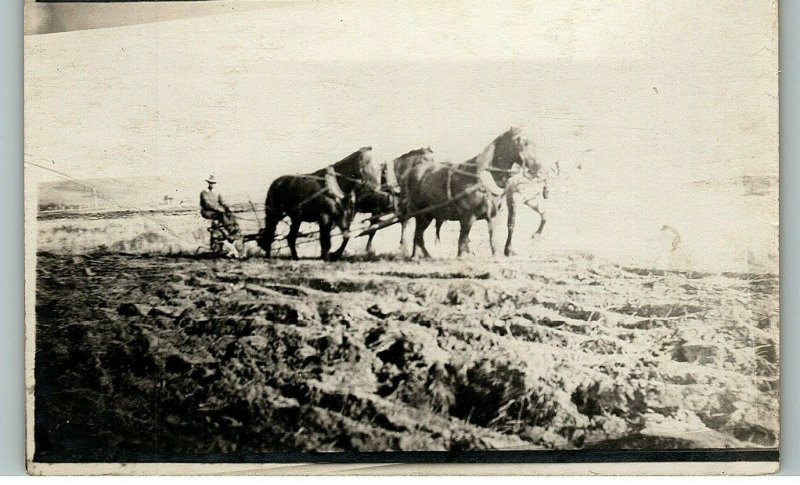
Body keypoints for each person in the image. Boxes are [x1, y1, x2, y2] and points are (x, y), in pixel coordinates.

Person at [200, 175, 232, 240]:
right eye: (211, 183)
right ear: (208, 183)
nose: (212, 184)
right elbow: (207, 203)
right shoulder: (204, 192)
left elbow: (222, 202)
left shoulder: (217, 192)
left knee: (229, 214)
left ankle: (230, 229)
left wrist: (228, 207)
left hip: (216, 211)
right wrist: (217, 208)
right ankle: (224, 231)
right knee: (221, 214)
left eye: (214, 183)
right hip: (207, 211)